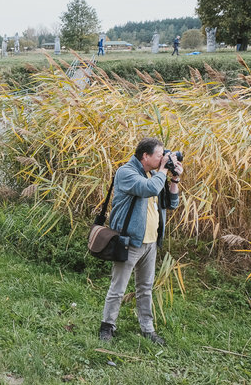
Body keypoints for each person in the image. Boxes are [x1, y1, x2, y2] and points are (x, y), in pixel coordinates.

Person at [99, 138, 183, 345]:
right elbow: (149, 189)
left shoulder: (154, 174)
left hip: (151, 242)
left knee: (145, 288)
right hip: (129, 241)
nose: (163, 158)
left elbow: (171, 203)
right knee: (118, 288)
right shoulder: (126, 172)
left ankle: (147, 329)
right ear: (145, 156)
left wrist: (174, 180)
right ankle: (107, 327)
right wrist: (164, 170)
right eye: (159, 155)